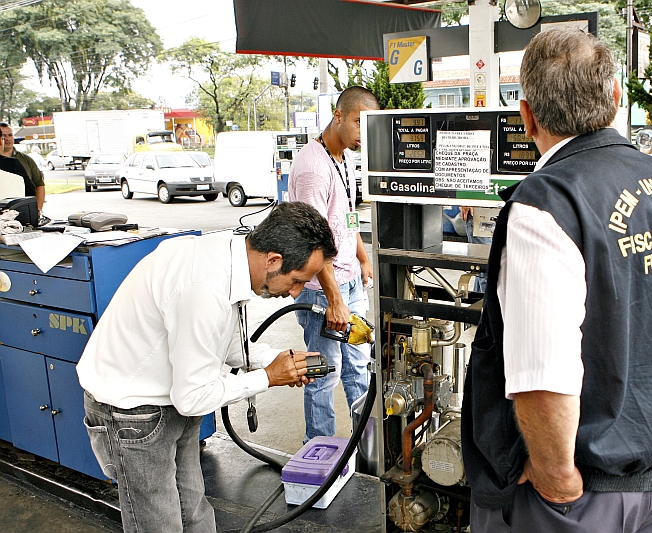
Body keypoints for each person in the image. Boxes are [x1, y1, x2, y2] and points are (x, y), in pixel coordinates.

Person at [462, 29, 652, 533]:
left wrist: (556, 476)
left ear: (527, 115)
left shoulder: (547, 202)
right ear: (616, 97)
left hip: (575, 498)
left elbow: (542, 375)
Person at [77, 201, 337, 533]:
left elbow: (218, 338)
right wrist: (268, 377)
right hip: (131, 410)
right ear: (273, 260)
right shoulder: (205, 287)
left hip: (171, 397)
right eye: (298, 280)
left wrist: (269, 359)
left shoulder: (229, 255)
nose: (295, 293)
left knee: (193, 509)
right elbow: (193, 396)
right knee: (159, 522)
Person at [288, 86, 379, 442]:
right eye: (359, 123)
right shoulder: (313, 168)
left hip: (350, 283)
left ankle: (369, 449)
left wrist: (362, 257)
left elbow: (347, 216)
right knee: (324, 375)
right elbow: (314, 241)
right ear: (338, 116)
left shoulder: (346, 158)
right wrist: (335, 302)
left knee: (360, 368)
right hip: (322, 294)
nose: (362, 134)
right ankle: (323, 455)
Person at [0, 123, 45, 212]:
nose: (7, 138)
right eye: (3, 136)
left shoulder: (26, 160)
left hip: (21, 211)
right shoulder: (13, 162)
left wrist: (37, 210)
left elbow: (39, 185)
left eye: (10, 135)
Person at [459, 206, 492, 293]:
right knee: (487, 270)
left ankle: (479, 303)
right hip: (480, 214)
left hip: (497, 210)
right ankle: (487, 305)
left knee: (483, 269)